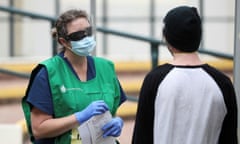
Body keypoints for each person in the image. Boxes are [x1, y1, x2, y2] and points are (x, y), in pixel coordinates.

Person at [132, 6, 238, 144]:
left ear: (167, 38)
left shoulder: (155, 80)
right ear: (199, 37)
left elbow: (141, 138)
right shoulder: (222, 83)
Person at [22, 9, 127, 144]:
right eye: (78, 36)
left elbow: (111, 112)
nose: (86, 38)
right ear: (63, 42)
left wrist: (116, 122)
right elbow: (39, 129)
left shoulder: (106, 68)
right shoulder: (48, 73)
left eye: (88, 32)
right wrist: (79, 117)